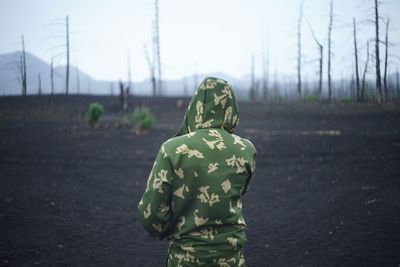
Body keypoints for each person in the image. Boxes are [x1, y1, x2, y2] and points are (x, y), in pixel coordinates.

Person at [138, 77, 256, 266]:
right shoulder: (246, 149)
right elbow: (239, 191)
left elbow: (151, 214)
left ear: (195, 107)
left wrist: (170, 230)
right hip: (232, 259)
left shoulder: (172, 149)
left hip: (185, 259)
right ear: (232, 108)